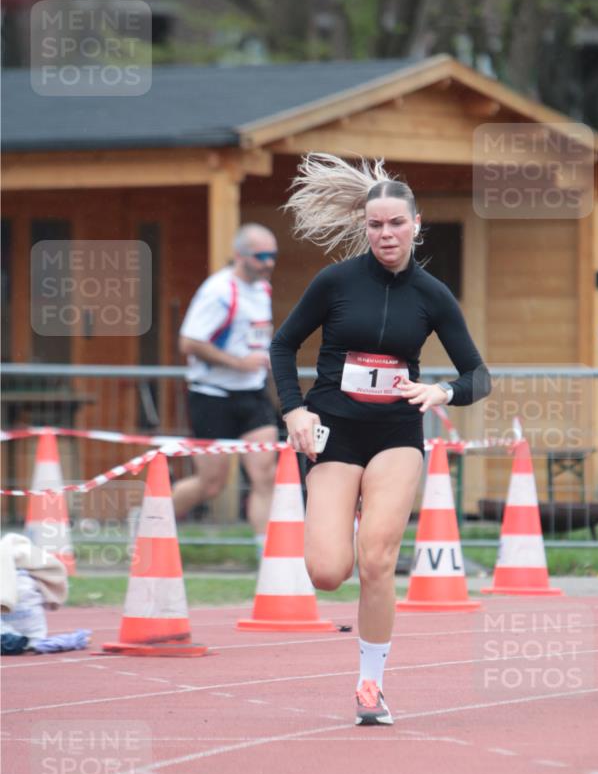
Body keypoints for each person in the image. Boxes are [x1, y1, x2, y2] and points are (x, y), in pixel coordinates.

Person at [270, 153, 490, 726]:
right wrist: (293, 410)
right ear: (364, 228)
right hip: (333, 432)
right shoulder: (336, 282)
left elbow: (478, 377)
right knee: (326, 571)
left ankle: (371, 684)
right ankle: (338, 511)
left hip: (395, 435)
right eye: (376, 225)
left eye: (397, 223)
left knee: (377, 559)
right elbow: (283, 345)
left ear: (417, 225)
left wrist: (441, 393)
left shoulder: (432, 295)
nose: (386, 234)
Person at [172, 224, 279, 557]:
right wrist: (239, 362)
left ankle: (268, 554)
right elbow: (188, 342)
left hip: (252, 395)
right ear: (240, 256)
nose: (268, 263)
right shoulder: (218, 291)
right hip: (212, 395)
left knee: (266, 475)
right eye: (261, 256)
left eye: (273, 256)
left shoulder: (263, 290)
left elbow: (253, 338)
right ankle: (149, 520)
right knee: (211, 484)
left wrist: (268, 358)